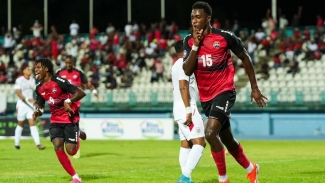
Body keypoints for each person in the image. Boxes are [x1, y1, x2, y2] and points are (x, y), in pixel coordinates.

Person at [183, 2, 268, 183]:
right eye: (192, 17)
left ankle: (223, 179)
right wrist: (196, 46)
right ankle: (251, 169)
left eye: (198, 17)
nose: (195, 21)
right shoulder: (188, 41)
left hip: (224, 91)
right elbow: (187, 70)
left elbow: (245, 58)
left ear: (208, 18)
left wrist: (254, 87)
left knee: (210, 133)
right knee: (227, 139)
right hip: (206, 98)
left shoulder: (224, 37)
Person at [33, 58, 86, 183]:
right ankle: (76, 178)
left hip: (69, 118)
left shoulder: (59, 81)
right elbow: (41, 107)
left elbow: (81, 92)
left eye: (38, 67)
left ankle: (77, 133)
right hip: (55, 120)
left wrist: (68, 101)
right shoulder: (39, 88)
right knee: (57, 146)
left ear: (46, 68)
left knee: (71, 151)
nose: (36, 69)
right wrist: (38, 112)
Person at [172, 40, 205, 183]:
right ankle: (185, 177)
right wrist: (189, 111)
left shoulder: (175, 65)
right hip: (186, 107)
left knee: (185, 144)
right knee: (200, 143)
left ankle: (187, 178)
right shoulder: (183, 64)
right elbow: (183, 87)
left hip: (179, 107)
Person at [56, 55, 98, 158]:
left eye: (70, 63)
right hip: (63, 102)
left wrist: (94, 91)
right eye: (66, 63)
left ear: (73, 63)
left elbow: (87, 84)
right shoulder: (60, 72)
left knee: (73, 124)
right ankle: (76, 134)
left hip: (74, 103)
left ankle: (76, 147)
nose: (68, 65)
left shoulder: (78, 73)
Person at [14, 65, 45, 150]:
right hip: (22, 104)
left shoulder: (32, 80)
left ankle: (38, 144)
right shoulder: (19, 80)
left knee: (32, 123)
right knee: (20, 124)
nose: (30, 70)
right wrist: (27, 99)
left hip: (30, 105)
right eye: (28, 69)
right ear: (23, 71)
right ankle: (16, 144)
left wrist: (36, 101)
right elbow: (18, 92)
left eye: (30, 69)